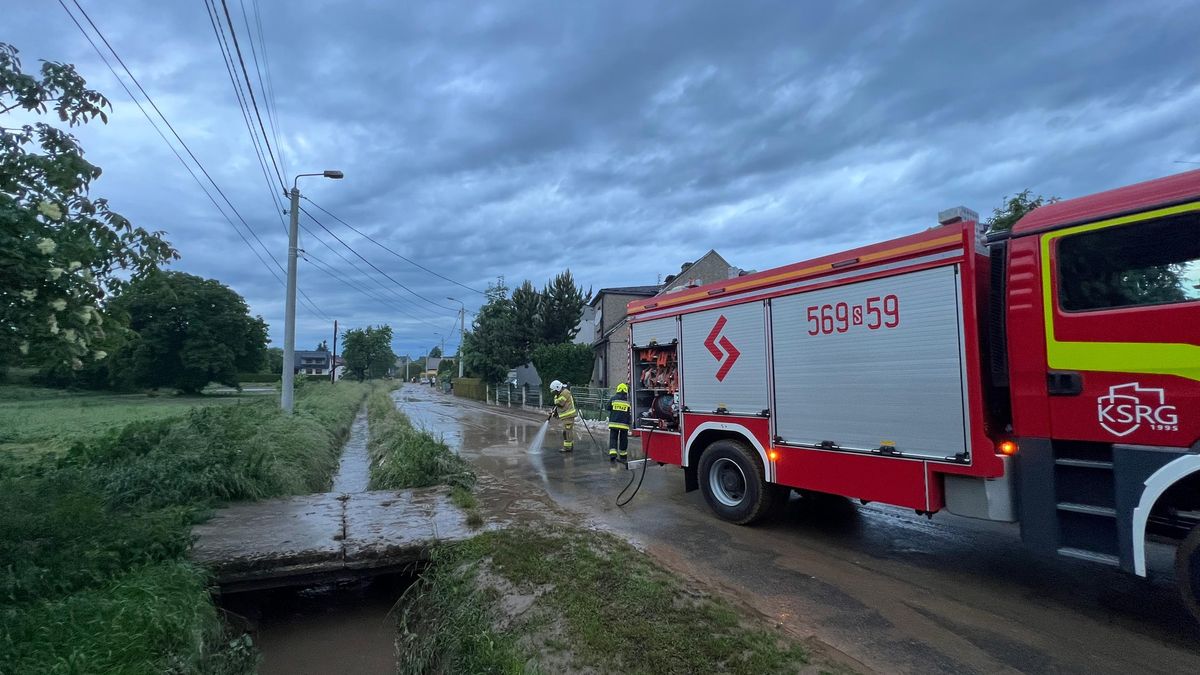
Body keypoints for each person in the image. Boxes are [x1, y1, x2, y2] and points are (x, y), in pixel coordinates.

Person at [547, 379, 576, 453]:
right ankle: (569, 446)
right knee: (567, 432)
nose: (554, 393)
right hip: (567, 416)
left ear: (558, 388)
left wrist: (555, 399)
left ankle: (568, 448)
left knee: (567, 432)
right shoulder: (561, 393)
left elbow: (560, 403)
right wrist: (554, 413)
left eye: (555, 391)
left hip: (569, 416)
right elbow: (559, 407)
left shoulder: (565, 393)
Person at [606, 382, 632, 462]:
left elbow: (607, 407)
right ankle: (623, 455)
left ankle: (613, 454)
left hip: (614, 423)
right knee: (623, 439)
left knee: (613, 438)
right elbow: (631, 412)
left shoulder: (613, 399)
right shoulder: (628, 401)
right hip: (624, 424)